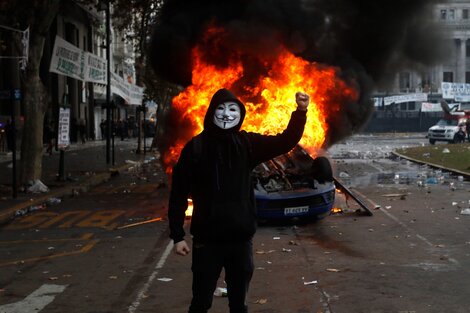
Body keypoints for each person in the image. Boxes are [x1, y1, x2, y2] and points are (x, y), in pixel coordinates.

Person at [168, 88, 309, 313]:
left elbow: (285, 142)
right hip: (207, 241)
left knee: (238, 304)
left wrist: (300, 112)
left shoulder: (247, 144)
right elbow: (178, 193)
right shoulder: (196, 147)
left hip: (240, 241)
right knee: (201, 302)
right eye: (221, 109)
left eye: (233, 109)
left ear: (240, 114)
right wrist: (177, 235)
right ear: (212, 112)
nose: (226, 114)